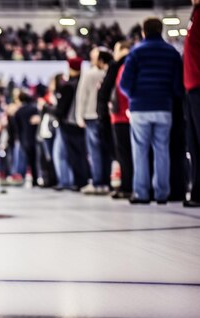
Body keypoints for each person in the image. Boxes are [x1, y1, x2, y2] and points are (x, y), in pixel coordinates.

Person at [120, 17, 184, 205]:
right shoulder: (171, 53)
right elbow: (177, 85)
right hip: (164, 107)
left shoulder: (136, 52)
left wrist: (134, 96)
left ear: (143, 31)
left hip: (140, 108)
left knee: (140, 152)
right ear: (161, 30)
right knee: (162, 151)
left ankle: (141, 193)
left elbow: (124, 83)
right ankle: (162, 193)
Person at [76, 47, 114, 195]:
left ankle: (97, 181)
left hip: (91, 116)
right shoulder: (108, 74)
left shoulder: (89, 74)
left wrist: (80, 115)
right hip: (105, 117)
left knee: (94, 151)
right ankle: (105, 182)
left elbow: (82, 96)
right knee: (105, 151)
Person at [52, 57, 90, 189]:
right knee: (82, 153)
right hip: (84, 122)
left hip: (69, 123)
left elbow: (61, 108)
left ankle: (78, 182)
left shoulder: (69, 85)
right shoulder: (84, 82)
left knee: (73, 154)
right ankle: (83, 180)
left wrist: (54, 112)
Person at [109, 41, 133, 199]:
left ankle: (127, 187)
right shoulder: (124, 66)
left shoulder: (123, 67)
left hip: (123, 117)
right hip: (124, 116)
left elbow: (122, 89)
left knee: (125, 155)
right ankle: (128, 185)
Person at [183, 0, 200, 207]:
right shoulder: (195, 15)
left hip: (197, 86)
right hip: (191, 88)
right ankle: (197, 192)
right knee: (194, 145)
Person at [14, 92, 41, 186]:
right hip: (35, 137)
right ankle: (36, 179)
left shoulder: (19, 111)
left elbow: (17, 128)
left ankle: (23, 177)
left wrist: (20, 139)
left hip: (24, 138)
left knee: (28, 160)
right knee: (36, 159)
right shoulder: (34, 108)